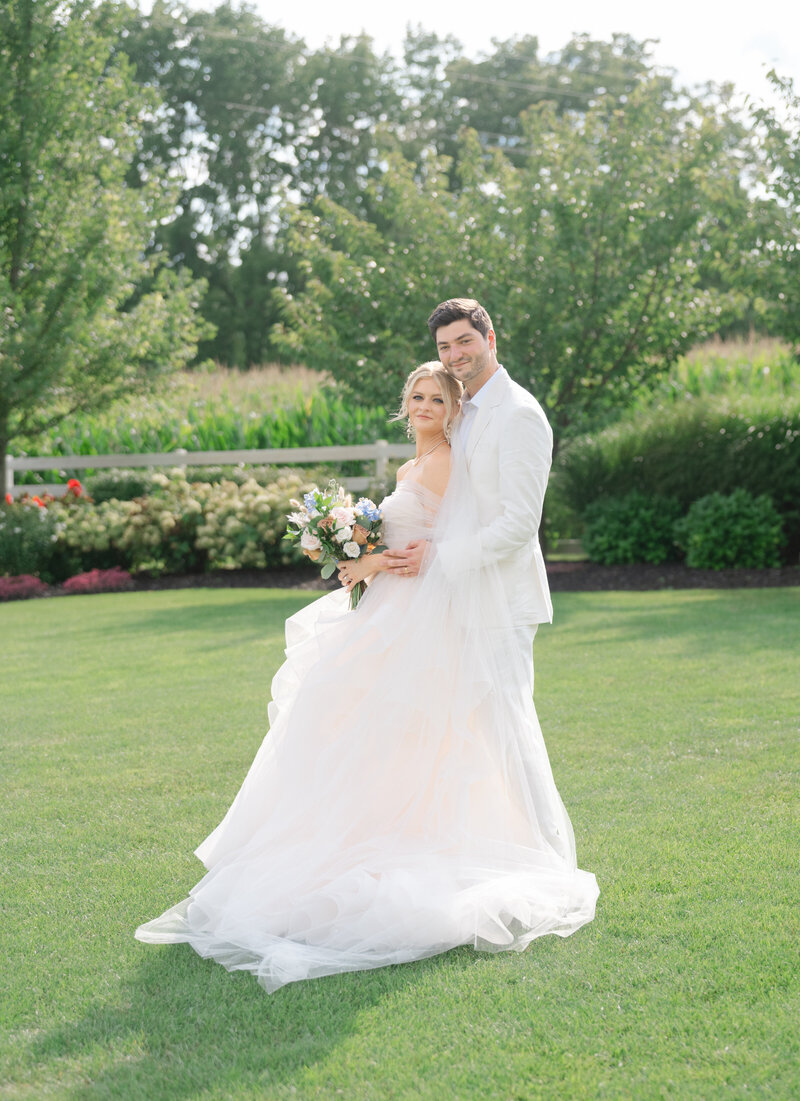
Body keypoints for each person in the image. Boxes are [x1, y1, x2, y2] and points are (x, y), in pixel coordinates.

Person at [135, 358, 598, 994]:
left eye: (439, 396)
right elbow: (403, 547)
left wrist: (371, 556)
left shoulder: (444, 464)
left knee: (393, 730)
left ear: (455, 406)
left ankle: (411, 850)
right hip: (390, 613)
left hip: (420, 623)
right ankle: (359, 837)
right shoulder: (412, 466)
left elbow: (425, 554)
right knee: (358, 730)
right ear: (403, 405)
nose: (426, 405)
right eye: (417, 395)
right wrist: (351, 547)